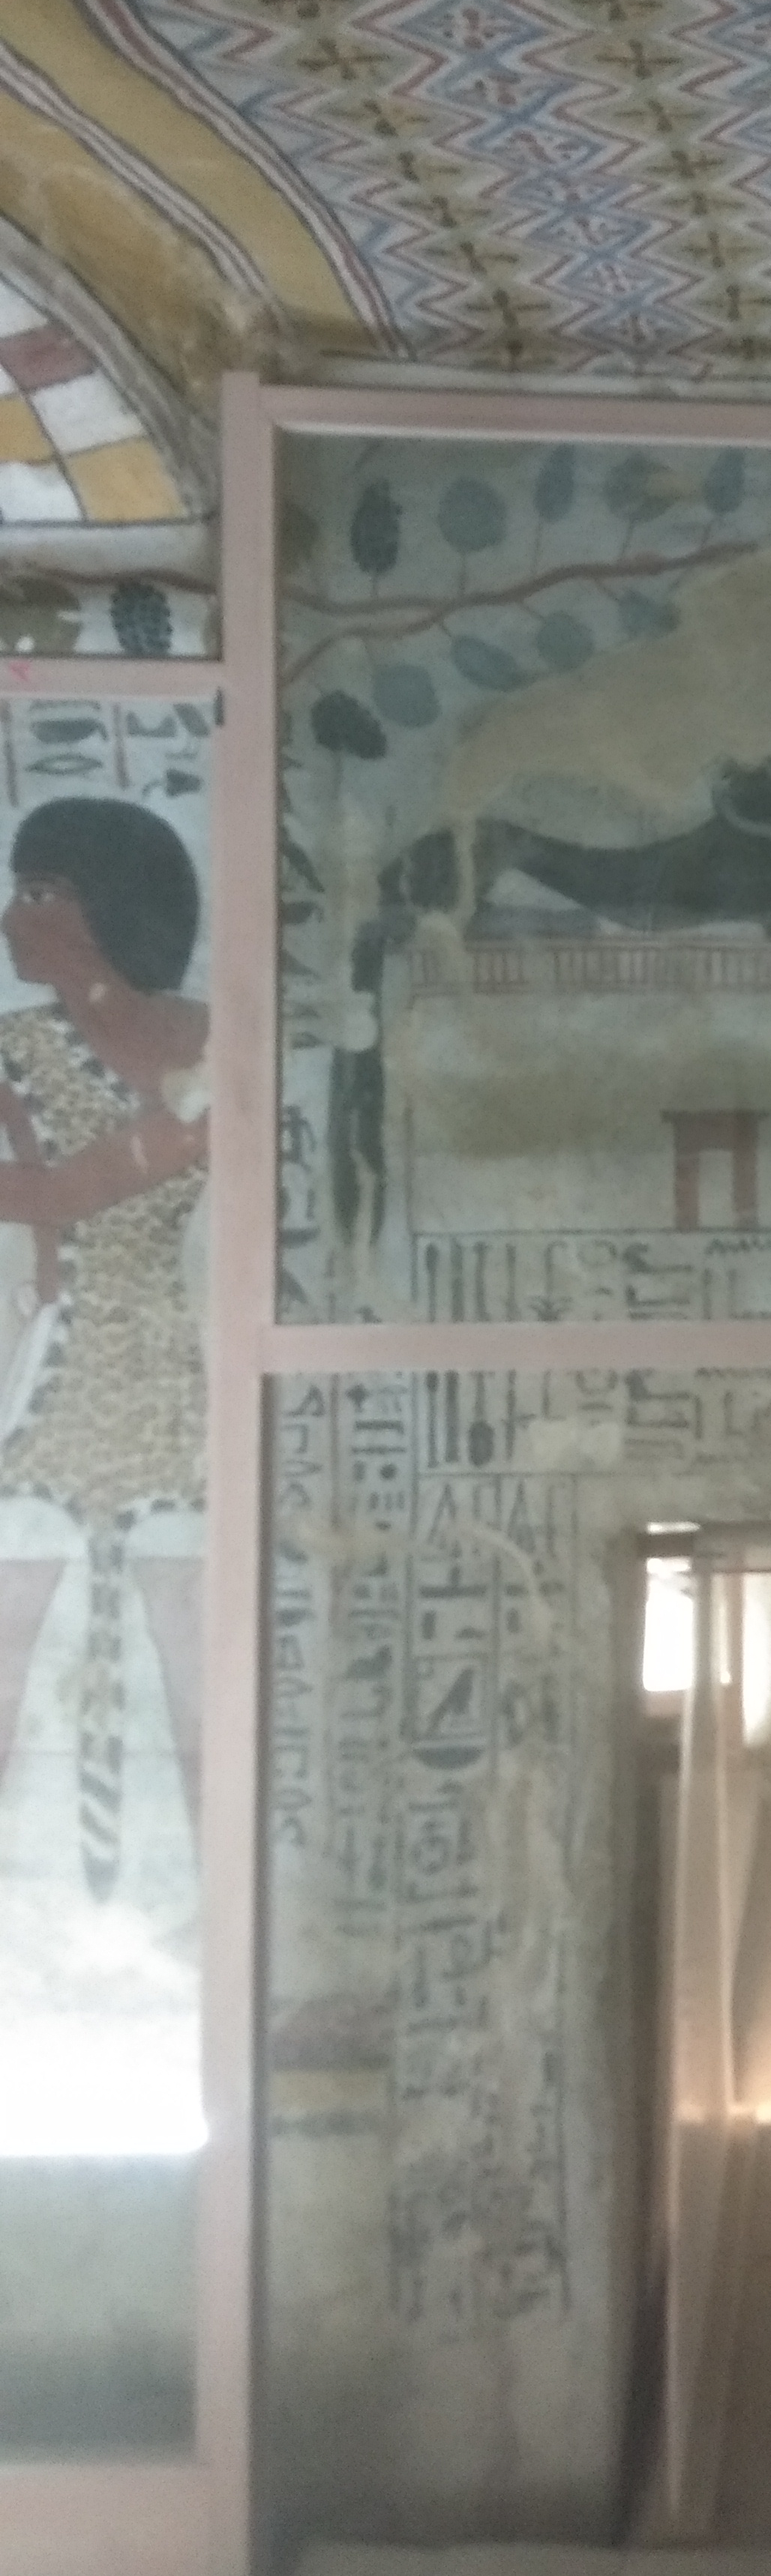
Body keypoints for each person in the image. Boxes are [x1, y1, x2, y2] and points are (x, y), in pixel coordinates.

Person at [0, 798, 207, 1898]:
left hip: (171, 1373)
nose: (12, 916)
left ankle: (220, 1902)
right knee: (10, 1618)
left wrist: (142, 1155)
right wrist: (141, 1152)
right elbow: (50, 1194)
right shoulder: (19, 1048)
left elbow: (83, 1189)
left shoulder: (213, 1038)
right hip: (60, 1365)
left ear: (110, 907)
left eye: (40, 892)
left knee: (194, 1641)